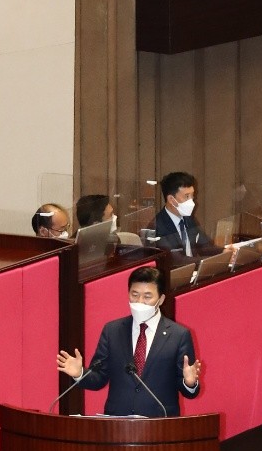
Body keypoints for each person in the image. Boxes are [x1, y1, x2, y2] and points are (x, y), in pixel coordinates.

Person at [56, 265, 201, 416]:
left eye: (147, 296)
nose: (139, 301)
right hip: (117, 427)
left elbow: (189, 392)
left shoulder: (179, 335)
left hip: (160, 426)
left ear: (161, 299)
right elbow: (98, 379)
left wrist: (190, 383)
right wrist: (80, 373)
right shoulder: (112, 331)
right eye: (135, 295)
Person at [152, 171, 214, 257]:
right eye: (187, 196)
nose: (192, 201)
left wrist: (225, 252)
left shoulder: (188, 218)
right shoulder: (157, 226)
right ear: (171, 199)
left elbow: (206, 246)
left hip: (195, 267)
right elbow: (175, 261)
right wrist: (205, 262)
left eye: (192, 196)